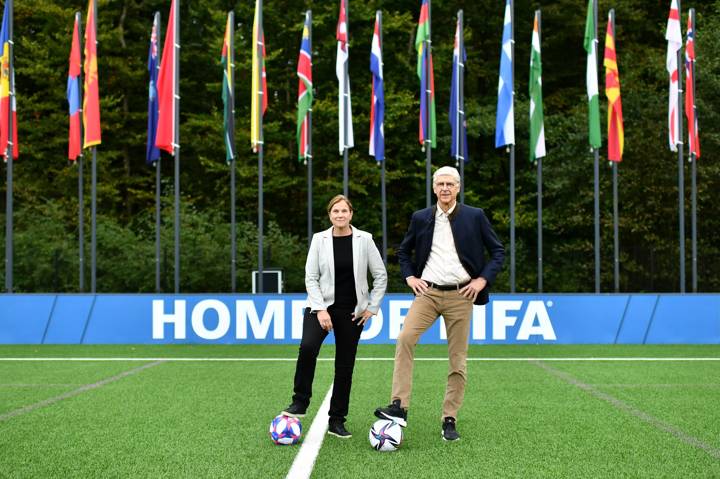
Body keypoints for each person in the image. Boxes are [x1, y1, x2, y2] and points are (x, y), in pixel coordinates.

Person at [374, 166, 504, 441]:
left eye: (450, 184)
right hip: (428, 293)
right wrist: (410, 276)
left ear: (458, 188)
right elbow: (403, 251)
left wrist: (481, 280)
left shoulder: (475, 216)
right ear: (434, 188)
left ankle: (449, 418)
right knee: (405, 338)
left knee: (457, 359)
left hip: (462, 295)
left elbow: (497, 252)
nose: (445, 188)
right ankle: (399, 406)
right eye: (440, 184)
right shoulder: (421, 217)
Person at [283, 195, 387, 438]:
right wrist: (320, 310)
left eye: (344, 211)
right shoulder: (319, 239)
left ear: (351, 214)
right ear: (330, 215)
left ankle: (337, 419)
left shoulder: (365, 239)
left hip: (352, 312)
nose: (340, 215)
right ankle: (300, 402)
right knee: (307, 347)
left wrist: (372, 307)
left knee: (344, 365)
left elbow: (380, 275)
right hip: (321, 308)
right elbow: (311, 277)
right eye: (335, 211)